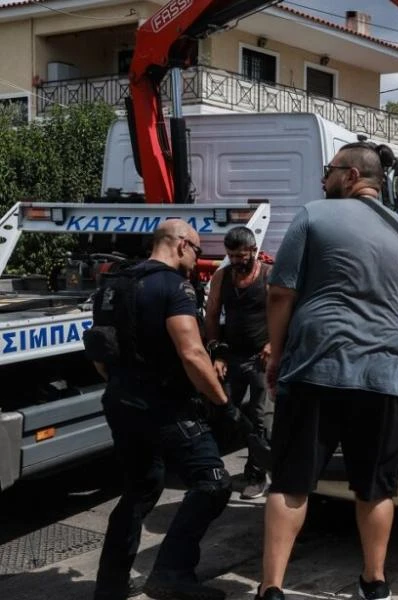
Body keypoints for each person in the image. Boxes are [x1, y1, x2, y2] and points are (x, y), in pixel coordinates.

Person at [255, 142, 398, 600]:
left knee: (292, 484)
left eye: (329, 170)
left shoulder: (314, 216)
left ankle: (271, 590)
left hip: (315, 369)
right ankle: (374, 584)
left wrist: (277, 356)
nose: (323, 178)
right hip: (382, 378)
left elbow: (280, 293)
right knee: (375, 489)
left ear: (352, 175)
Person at [85, 220, 233, 600]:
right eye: (198, 251)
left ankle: (110, 587)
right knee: (213, 481)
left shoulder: (113, 284)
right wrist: (222, 402)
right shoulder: (173, 286)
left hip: (120, 401)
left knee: (140, 489)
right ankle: (171, 574)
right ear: (182, 244)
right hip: (165, 406)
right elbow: (193, 352)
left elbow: (101, 353)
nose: (197, 260)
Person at [204, 226, 274, 499]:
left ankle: (258, 474)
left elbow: (286, 313)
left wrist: (273, 344)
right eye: (231, 256)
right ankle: (216, 470)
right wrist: (217, 352)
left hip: (261, 358)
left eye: (241, 256)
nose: (236, 261)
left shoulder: (269, 275)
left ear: (254, 251)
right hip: (232, 356)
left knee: (260, 417)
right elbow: (211, 316)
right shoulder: (222, 277)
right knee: (222, 410)